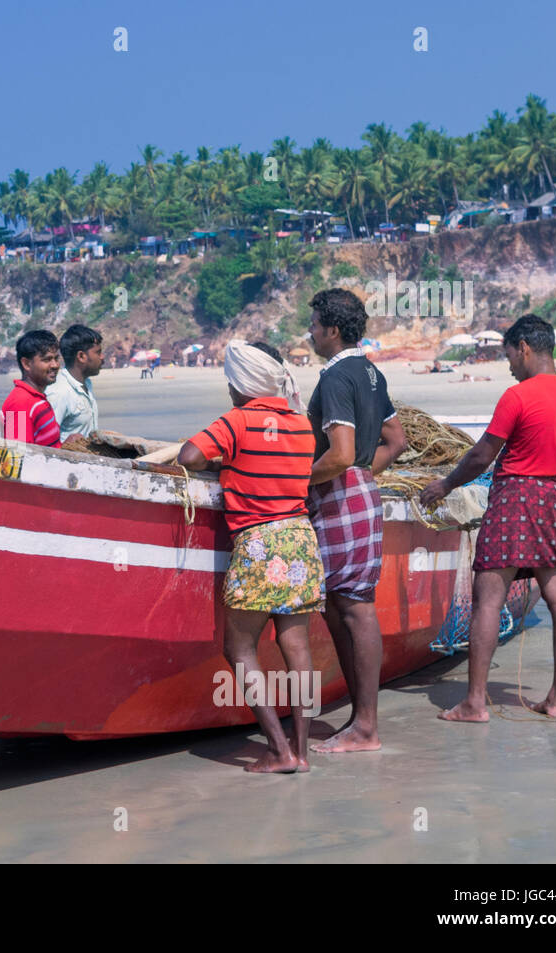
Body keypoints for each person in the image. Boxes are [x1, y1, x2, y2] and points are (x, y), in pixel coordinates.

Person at [421, 314, 556, 721]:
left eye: (508, 355)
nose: (508, 365)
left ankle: (474, 703)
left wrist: (446, 485)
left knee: (489, 597)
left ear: (524, 348)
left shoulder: (518, 396)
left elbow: (481, 454)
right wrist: (553, 466)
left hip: (514, 499)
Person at [179, 340, 323, 773]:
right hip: (301, 539)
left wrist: (226, 462)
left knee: (239, 649)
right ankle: (301, 751)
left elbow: (189, 455)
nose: (228, 390)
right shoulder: (301, 425)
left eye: (230, 383)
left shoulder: (237, 420)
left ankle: (278, 751)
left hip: (259, 543)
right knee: (296, 646)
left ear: (241, 385)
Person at [305, 289, 409, 753]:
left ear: (331, 329)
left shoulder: (334, 377)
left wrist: (297, 481)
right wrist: (366, 475)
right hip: (361, 494)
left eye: (312, 325)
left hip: (338, 499)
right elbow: (397, 440)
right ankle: (359, 719)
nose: (308, 333)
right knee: (341, 605)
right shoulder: (370, 372)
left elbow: (341, 453)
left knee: (353, 607)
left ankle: (366, 726)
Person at [1, 330, 62, 447]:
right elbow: (17, 456)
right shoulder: (19, 403)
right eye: (47, 360)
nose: (55, 365)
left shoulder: (36, 398)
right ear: (26, 364)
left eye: (56, 358)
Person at [46, 325, 103, 441]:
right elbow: (45, 443)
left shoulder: (86, 383)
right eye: (98, 352)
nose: (102, 357)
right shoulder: (59, 392)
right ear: (81, 356)